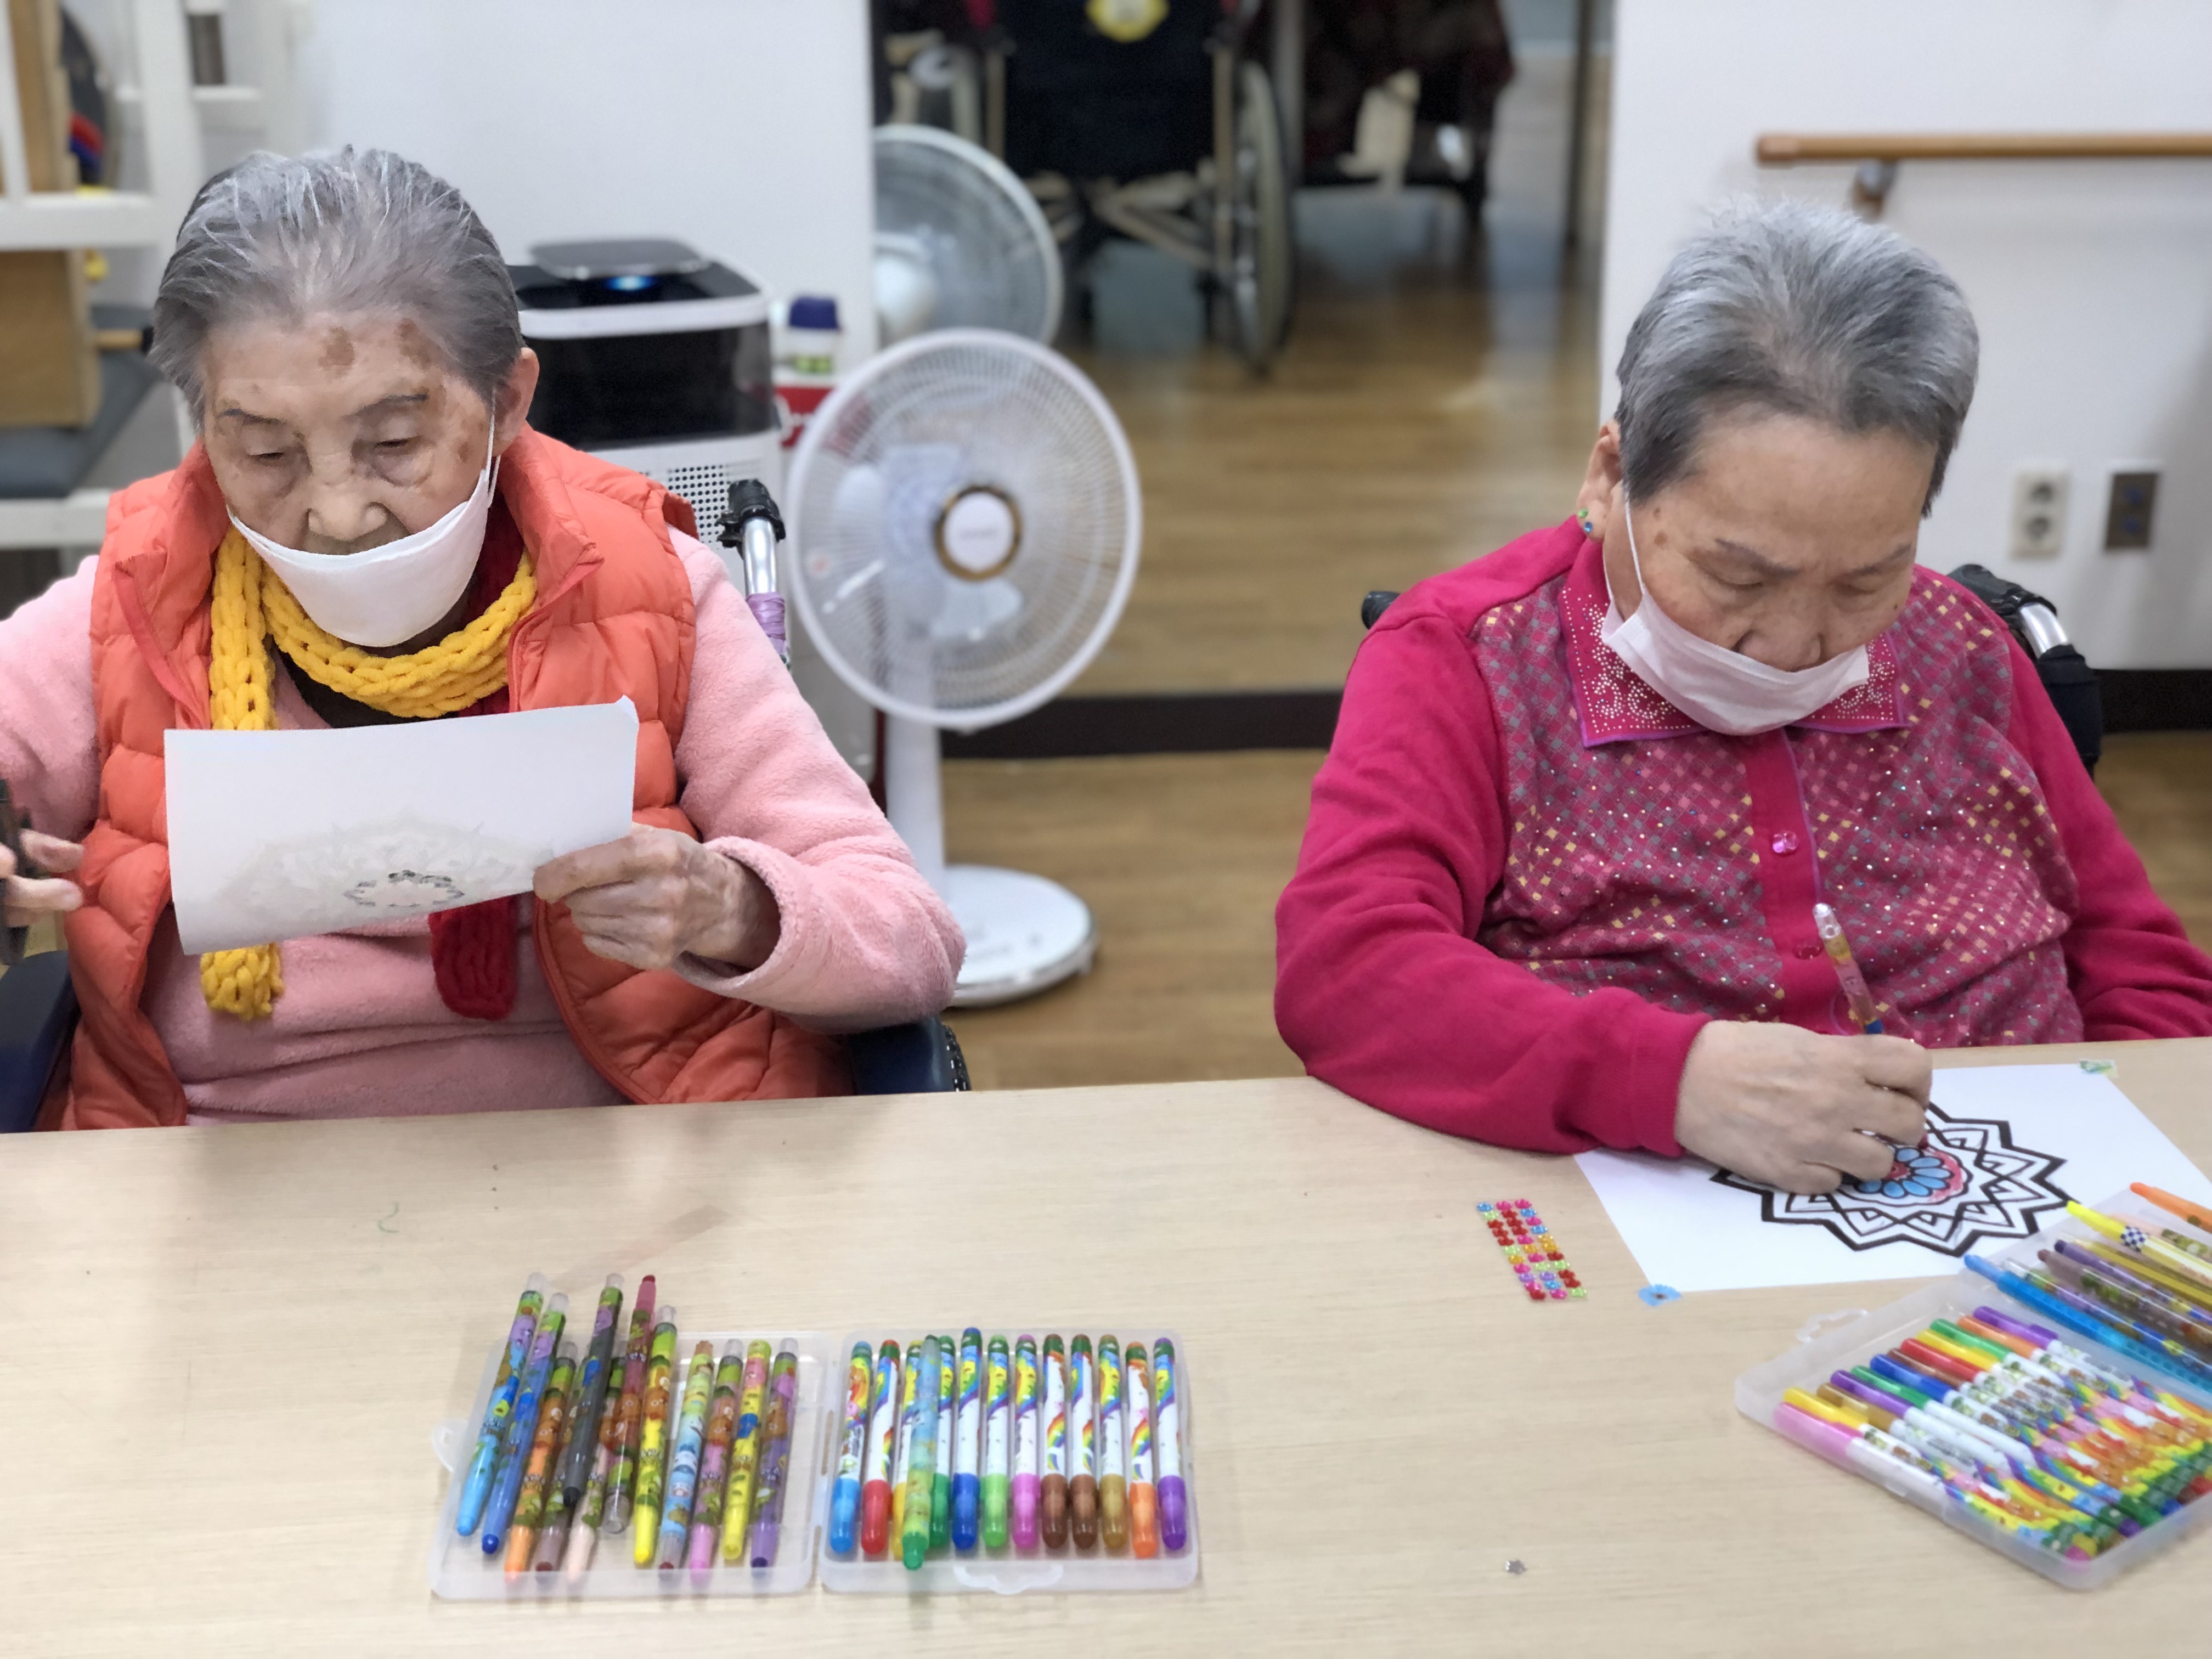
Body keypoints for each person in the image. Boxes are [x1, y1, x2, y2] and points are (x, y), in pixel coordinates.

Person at [0, 148, 962, 1128]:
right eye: (265, 452)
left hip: (616, 1156)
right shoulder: (138, 598)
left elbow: (910, 940)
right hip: (215, 1166)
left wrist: (732, 907)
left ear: (507, 401)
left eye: (394, 443)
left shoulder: (649, 589)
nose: (337, 513)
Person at [1276, 201, 2212, 1194]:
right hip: (1645, 1206)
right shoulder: (1469, 657)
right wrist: (1672, 1080)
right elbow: (1350, 968)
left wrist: (2139, 1173)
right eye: (1739, 578)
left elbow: (2139, 965)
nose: (1794, 647)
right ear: (1610, 477)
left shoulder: (1963, 642)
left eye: (1866, 581)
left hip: (2038, 1205)